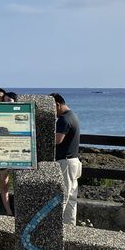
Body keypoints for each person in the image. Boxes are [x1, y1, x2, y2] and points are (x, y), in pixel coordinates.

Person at [51, 92, 81, 225]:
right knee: (71, 198)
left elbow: (57, 140)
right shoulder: (73, 116)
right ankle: (70, 227)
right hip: (74, 161)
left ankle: (54, 227)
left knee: (62, 195)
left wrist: (42, 136)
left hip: (65, 162)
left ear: (57, 104)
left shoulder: (64, 119)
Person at [0, 91, 17, 215]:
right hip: (2, 153)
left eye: (9, 101)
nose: (6, 103)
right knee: (4, 184)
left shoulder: (22, 114)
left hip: (18, 153)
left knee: (20, 183)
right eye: (4, 101)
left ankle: (19, 210)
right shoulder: (0, 115)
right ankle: (9, 212)